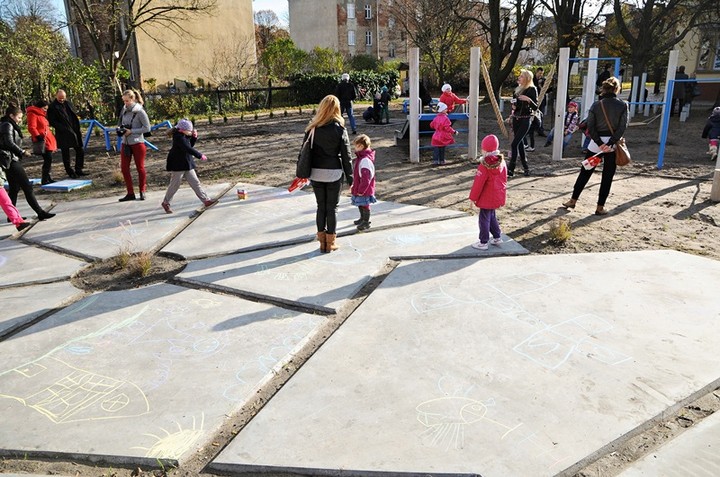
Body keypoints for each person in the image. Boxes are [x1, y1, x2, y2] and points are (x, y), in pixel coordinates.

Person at [562, 76, 628, 216]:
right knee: (607, 176)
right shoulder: (622, 105)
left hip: (595, 145)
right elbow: (622, 127)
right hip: (612, 145)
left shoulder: (597, 105)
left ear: (603, 89)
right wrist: (610, 143)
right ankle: (600, 207)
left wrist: (599, 143)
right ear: (617, 89)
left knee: (585, 171)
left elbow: (590, 125)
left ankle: (573, 200)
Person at [305, 95, 353, 253]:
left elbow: (305, 152)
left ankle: (321, 242)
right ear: (337, 109)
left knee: (321, 207)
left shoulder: (313, 128)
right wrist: (350, 178)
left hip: (316, 173)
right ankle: (331, 242)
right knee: (332, 208)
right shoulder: (340, 130)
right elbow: (346, 156)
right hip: (334, 173)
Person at [0, 105, 56, 221]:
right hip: (11, 160)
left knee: (14, 188)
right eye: (19, 118)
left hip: (10, 159)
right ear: (11, 116)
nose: (20, 120)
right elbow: (9, 143)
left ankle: (12, 216)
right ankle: (40, 212)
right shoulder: (7, 125)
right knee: (27, 187)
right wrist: (22, 151)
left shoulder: (8, 124)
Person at [161, 119, 218, 214]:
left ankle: (206, 200)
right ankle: (166, 202)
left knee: (195, 182)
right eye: (190, 131)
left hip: (187, 163)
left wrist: (194, 138)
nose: (191, 132)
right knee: (175, 184)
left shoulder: (184, 135)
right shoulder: (178, 137)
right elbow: (187, 148)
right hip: (178, 164)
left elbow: (189, 145)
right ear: (182, 129)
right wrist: (200, 155)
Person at [469, 134, 507, 250]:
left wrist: (472, 197)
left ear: (484, 150)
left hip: (486, 197)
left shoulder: (484, 166)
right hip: (497, 195)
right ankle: (497, 236)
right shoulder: (502, 162)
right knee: (492, 216)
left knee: (484, 218)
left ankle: (483, 242)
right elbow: (504, 179)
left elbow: (478, 184)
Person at [117, 89, 151, 202]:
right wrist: (120, 130)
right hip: (125, 143)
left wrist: (132, 131)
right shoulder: (124, 109)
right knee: (124, 168)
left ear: (133, 99)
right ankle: (130, 193)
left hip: (137, 142)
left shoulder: (140, 111)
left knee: (140, 167)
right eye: (124, 101)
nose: (125, 103)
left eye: (127, 101)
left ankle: (142, 190)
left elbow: (147, 128)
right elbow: (120, 123)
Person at [47, 89, 87, 179]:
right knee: (66, 153)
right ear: (56, 96)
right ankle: (70, 171)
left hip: (74, 130)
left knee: (80, 149)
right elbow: (52, 121)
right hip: (63, 132)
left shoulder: (68, 103)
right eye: (60, 98)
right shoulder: (53, 107)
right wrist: (62, 128)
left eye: (63, 98)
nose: (62, 99)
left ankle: (79, 169)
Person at [507, 69, 538, 177]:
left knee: (514, 143)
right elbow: (516, 106)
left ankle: (511, 168)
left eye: (521, 76)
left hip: (526, 119)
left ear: (526, 79)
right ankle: (526, 168)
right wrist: (514, 106)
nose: (519, 78)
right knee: (519, 144)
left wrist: (528, 100)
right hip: (516, 118)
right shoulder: (517, 90)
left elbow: (536, 107)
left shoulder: (532, 89)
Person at [25, 99, 58, 185]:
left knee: (49, 160)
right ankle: (45, 179)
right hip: (42, 140)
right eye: (44, 108)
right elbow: (31, 127)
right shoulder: (32, 113)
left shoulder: (42, 115)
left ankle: (48, 177)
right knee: (48, 160)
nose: (46, 110)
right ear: (39, 107)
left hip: (47, 140)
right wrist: (38, 136)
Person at [350, 134, 376, 231]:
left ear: (361, 146)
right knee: (360, 203)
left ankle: (366, 221)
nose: (355, 148)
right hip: (359, 186)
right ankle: (362, 218)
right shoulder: (361, 158)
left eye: (356, 146)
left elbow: (366, 178)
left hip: (364, 188)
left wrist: (362, 189)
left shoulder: (365, 160)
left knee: (365, 204)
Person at [533, 67, 547, 136]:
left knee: (541, 115)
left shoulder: (544, 80)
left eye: (542, 74)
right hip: (534, 100)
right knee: (533, 115)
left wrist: (540, 85)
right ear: (536, 72)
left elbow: (546, 91)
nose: (541, 75)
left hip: (542, 100)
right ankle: (533, 129)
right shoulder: (532, 80)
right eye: (540, 73)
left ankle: (540, 130)